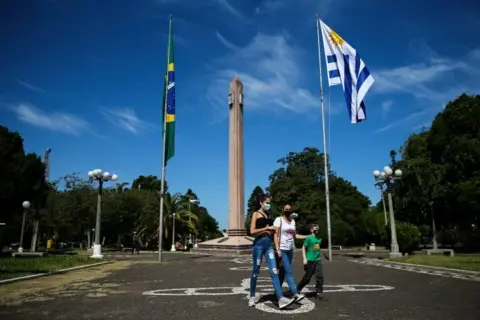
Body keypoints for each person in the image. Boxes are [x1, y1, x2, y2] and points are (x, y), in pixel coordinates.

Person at [249, 194, 296, 309]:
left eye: (270, 203)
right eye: (267, 203)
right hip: (258, 245)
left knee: (274, 271)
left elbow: (274, 233)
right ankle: (252, 296)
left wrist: (277, 248)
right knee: (256, 271)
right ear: (261, 203)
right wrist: (266, 228)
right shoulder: (256, 214)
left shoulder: (269, 215)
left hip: (269, 245)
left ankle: (280, 298)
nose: (268, 205)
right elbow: (252, 231)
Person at [273, 204, 307, 301]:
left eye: (289, 209)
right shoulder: (278, 220)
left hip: (290, 249)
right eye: (286, 209)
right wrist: (277, 249)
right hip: (282, 248)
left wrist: (307, 236)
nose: (288, 210)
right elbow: (275, 235)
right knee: (288, 271)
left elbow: (295, 236)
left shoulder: (293, 221)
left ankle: (277, 291)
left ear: (292, 210)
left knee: (283, 272)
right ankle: (295, 293)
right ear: (283, 210)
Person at [296, 224, 327, 300]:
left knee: (320, 276)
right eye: (315, 228)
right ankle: (297, 290)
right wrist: (304, 259)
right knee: (307, 278)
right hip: (310, 260)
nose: (317, 229)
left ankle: (319, 292)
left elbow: (317, 248)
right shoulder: (309, 238)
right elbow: (303, 248)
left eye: (318, 228)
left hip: (317, 260)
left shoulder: (319, 238)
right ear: (311, 230)